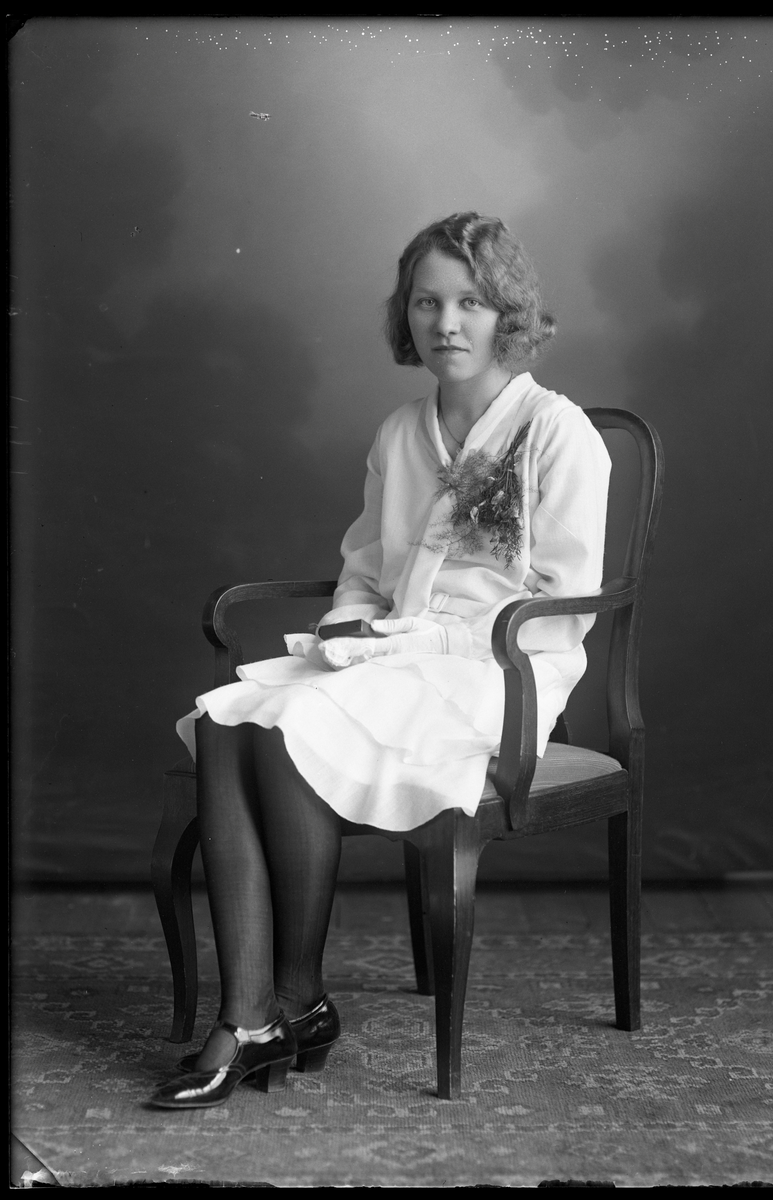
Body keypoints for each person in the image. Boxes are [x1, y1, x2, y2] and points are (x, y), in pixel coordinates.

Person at [150, 211, 611, 1109]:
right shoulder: (401, 432)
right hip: (396, 662)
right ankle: (258, 1013)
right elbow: (364, 574)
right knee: (228, 718)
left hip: (497, 675)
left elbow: (557, 614)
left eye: (470, 302)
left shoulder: (559, 433)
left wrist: (416, 639)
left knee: (288, 722)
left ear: (507, 312)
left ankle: (285, 1002)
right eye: (427, 302)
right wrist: (351, 630)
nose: (448, 323)